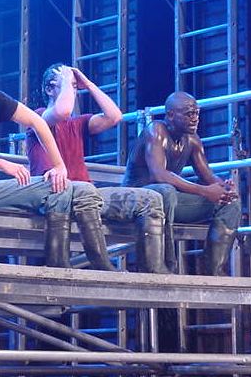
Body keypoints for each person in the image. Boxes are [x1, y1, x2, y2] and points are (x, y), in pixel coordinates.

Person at [0, 49, 117, 270]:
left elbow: (37, 121)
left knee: (60, 186)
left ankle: (58, 265)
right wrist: (1, 163)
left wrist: (59, 166)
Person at [26, 64, 170, 274]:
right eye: (66, 85)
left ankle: (154, 272)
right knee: (85, 193)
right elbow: (62, 111)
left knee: (151, 199)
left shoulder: (77, 123)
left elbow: (114, 116)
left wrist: (88, 84)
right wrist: (67, 79)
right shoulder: (38, 118)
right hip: (57, 196)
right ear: (49, 89)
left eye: (74, 87)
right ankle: (103, 266)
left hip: (89, 196)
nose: (73, 91)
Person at [122, 91, 241, 276]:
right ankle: (164, 266)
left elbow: (208, 177)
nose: (195, 118)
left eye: (197, 113)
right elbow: (159, 174)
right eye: (189, 114)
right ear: (170, 115)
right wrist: (205, 191)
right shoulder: (156, 131)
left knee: (230, 202)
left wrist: (224, 188)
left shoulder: (192, 139)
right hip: (137, 203)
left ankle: (214, 271)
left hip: (169, 203)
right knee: (165, 191)